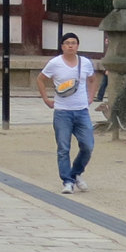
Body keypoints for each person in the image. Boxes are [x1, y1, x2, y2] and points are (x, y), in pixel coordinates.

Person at [38, 32, 101, 192]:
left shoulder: (85, 63)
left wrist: (91, 96)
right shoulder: (55, 63)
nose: (70, 45)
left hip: (81, 110)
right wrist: (46, 98)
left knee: (87, 145)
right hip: (62, 111)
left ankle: (76, 172)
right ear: (62, 46)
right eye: (67, 43)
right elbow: (40, 78)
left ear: (78, 46)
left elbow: (93, 79)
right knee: (63, 148)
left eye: (73, 43)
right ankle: (67, 181)